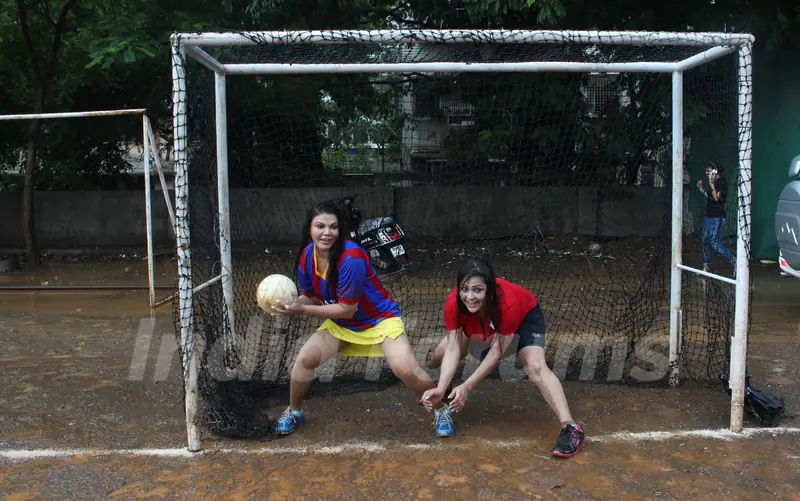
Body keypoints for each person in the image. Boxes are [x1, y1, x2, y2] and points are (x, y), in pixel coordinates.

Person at [269, 200, 454, 437]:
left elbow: (346, 309)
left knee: (406, 369)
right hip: (343, 325)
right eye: (320, 226)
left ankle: (441, 408)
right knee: (305, 359)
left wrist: (301, 310)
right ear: (309, 229)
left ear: (340, 229)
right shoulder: (307, 256)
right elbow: (312, 296)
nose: (327, 232)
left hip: (380, 320)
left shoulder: (351, 258)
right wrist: (289, 305)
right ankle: (294, 411)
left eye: (334, 226)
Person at [420, 258, 586, 457]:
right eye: (464, 289)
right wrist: (440, 387)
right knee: (439, 355)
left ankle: (571, 428)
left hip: (523, 318)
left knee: (534, 366)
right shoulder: (454, 303)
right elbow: (454, 347)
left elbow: (497, 351)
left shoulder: (508, 304)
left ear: (489, 290)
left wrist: (467, 386)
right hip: (478, 319)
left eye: (477, 290)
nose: (469, 296)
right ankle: (443, 391)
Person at [696, 161, 736, 273]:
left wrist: (711, 183)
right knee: (705, 240)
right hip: (710, 216)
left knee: (714, 241)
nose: (708, 173)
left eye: (709, 171)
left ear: (715, 171)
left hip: (717, 217)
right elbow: (710, 197)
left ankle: (734, 261)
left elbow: (716, 198)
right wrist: (702, 189)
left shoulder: (721, 182)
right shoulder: (714, 183)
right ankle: (706, 265)